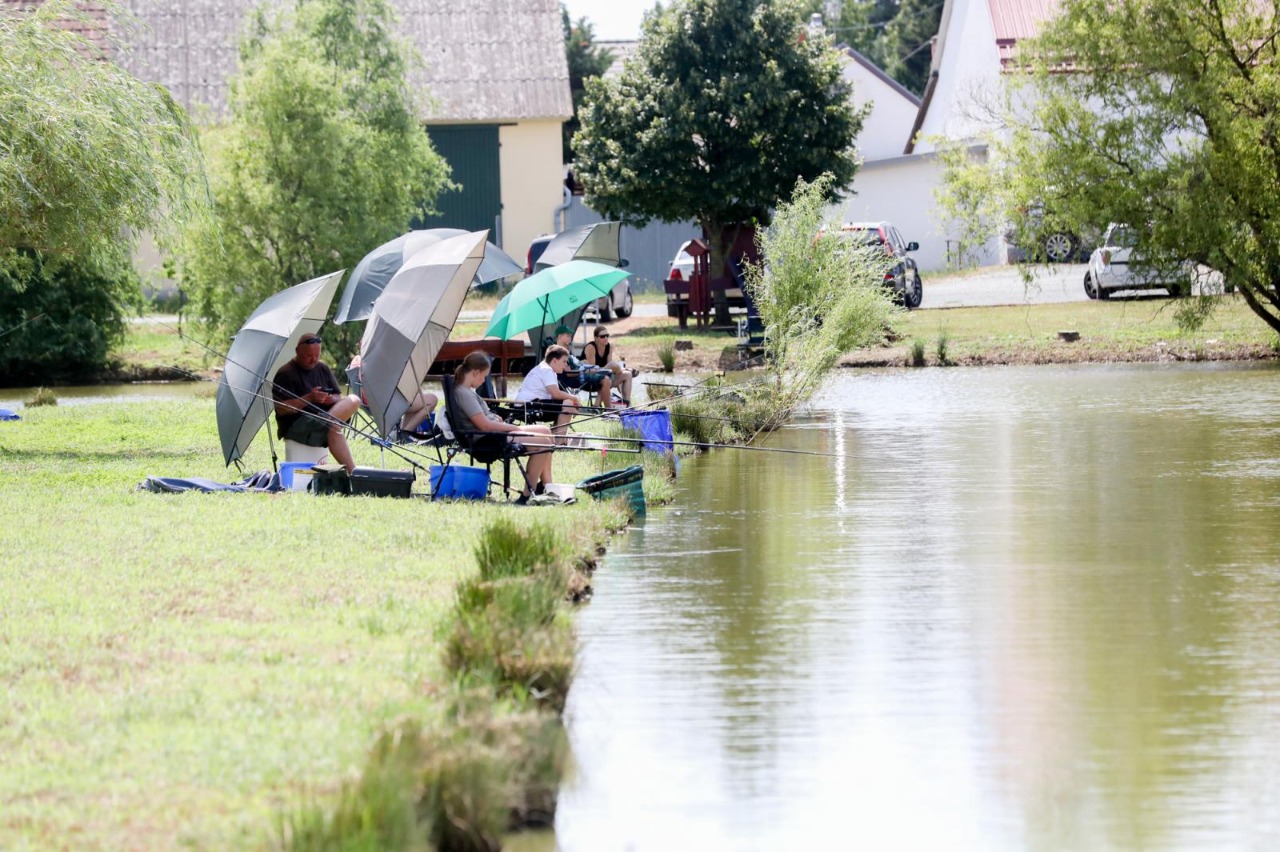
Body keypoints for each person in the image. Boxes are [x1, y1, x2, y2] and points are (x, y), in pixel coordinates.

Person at [451, 351, 555, 503]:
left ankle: (548, 486)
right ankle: (527, 495)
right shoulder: (463, 394)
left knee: (546, 431)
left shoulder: (466, 391)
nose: (484, 380)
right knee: (542, 442)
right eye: (484, 376)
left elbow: (484, 419)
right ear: (475, 372)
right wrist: (512, 428)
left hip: (492, 434)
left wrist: (498, 420)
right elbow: (484, 425)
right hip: (486, 440)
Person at [273, 335, 361, 472]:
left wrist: (331, 399)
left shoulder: (322, 368)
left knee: (354, 399)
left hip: (322, 417)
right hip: (297, 426)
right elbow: (281, 409)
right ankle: (353, 472)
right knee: (334, 426)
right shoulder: (286, 373)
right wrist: (310, 397)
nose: (313, 359)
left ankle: (328, 422)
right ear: (297, 351)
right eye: (308, 356)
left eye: (317, 355)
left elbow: (338, 396)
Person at [347, 348, 438, 438]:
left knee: (412, 395)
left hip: (367, 405)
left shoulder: (357, 360)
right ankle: (405, 433)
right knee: (432, 400)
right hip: (385, 406)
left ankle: (401, 433)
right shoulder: (372, 362)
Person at [513, 344, 579, 439]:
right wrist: (574, 398)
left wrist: (572, 402)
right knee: (568, 403)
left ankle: (556, 436)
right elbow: (556, 394)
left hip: (525, 406)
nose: (566, 365)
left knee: (567, 402)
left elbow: (554, 396)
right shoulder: (547, 370)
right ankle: (560, 440)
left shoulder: (544, 368)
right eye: (564, 361)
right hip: (529, 407)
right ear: (554, 360)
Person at [552, 324, 615, 407]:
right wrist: (586, 371)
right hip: (575, 379)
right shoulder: (559, 352)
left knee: (609, 376)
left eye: (570, 336)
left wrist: (583, 364)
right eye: (568, 336)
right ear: (560, 336)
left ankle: (599, 406)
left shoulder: (565, 350)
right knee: (606, 379)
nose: (570, 338)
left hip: (579, 375)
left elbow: (573, 366)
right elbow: (569, 373)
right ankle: (608, 408)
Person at [582, 325, 635, 406]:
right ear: (596, 338)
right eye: (602, 336)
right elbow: (591, 369)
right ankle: (597, 406)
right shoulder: (591, 347)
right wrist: (611, 369)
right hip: (588, 378)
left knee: (628, 375)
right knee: (612, 366)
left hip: (605, 377)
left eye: (607, 335)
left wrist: (612, 371)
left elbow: (610, 369)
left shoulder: (609, 346)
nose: (606, 338)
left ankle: (627, 405)